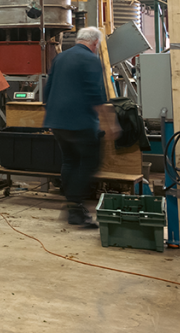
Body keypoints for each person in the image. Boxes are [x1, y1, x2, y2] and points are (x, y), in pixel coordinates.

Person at [43, 26, 118, 228]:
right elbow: (97, 95)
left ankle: (71, 203)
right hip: (80, 122)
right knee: (90, 162)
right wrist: (110, 123)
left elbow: (47, 91)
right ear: (95, 44)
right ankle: (75, 210)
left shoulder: (60, 58)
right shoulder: (91, 60)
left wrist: (51, 119)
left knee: (70, 161)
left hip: (57, 121)